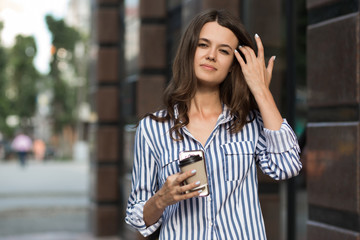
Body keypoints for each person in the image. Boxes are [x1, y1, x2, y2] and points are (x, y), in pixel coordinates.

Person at [125, 9, 302, 239]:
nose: (211, 55)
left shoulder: (248, 123)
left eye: (224, 51)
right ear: (189, 51)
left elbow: (287, 165)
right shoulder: (152, 128)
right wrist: (162, 198)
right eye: (203, 45)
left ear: (232, 65)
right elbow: (136, 218)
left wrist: (260, 89)